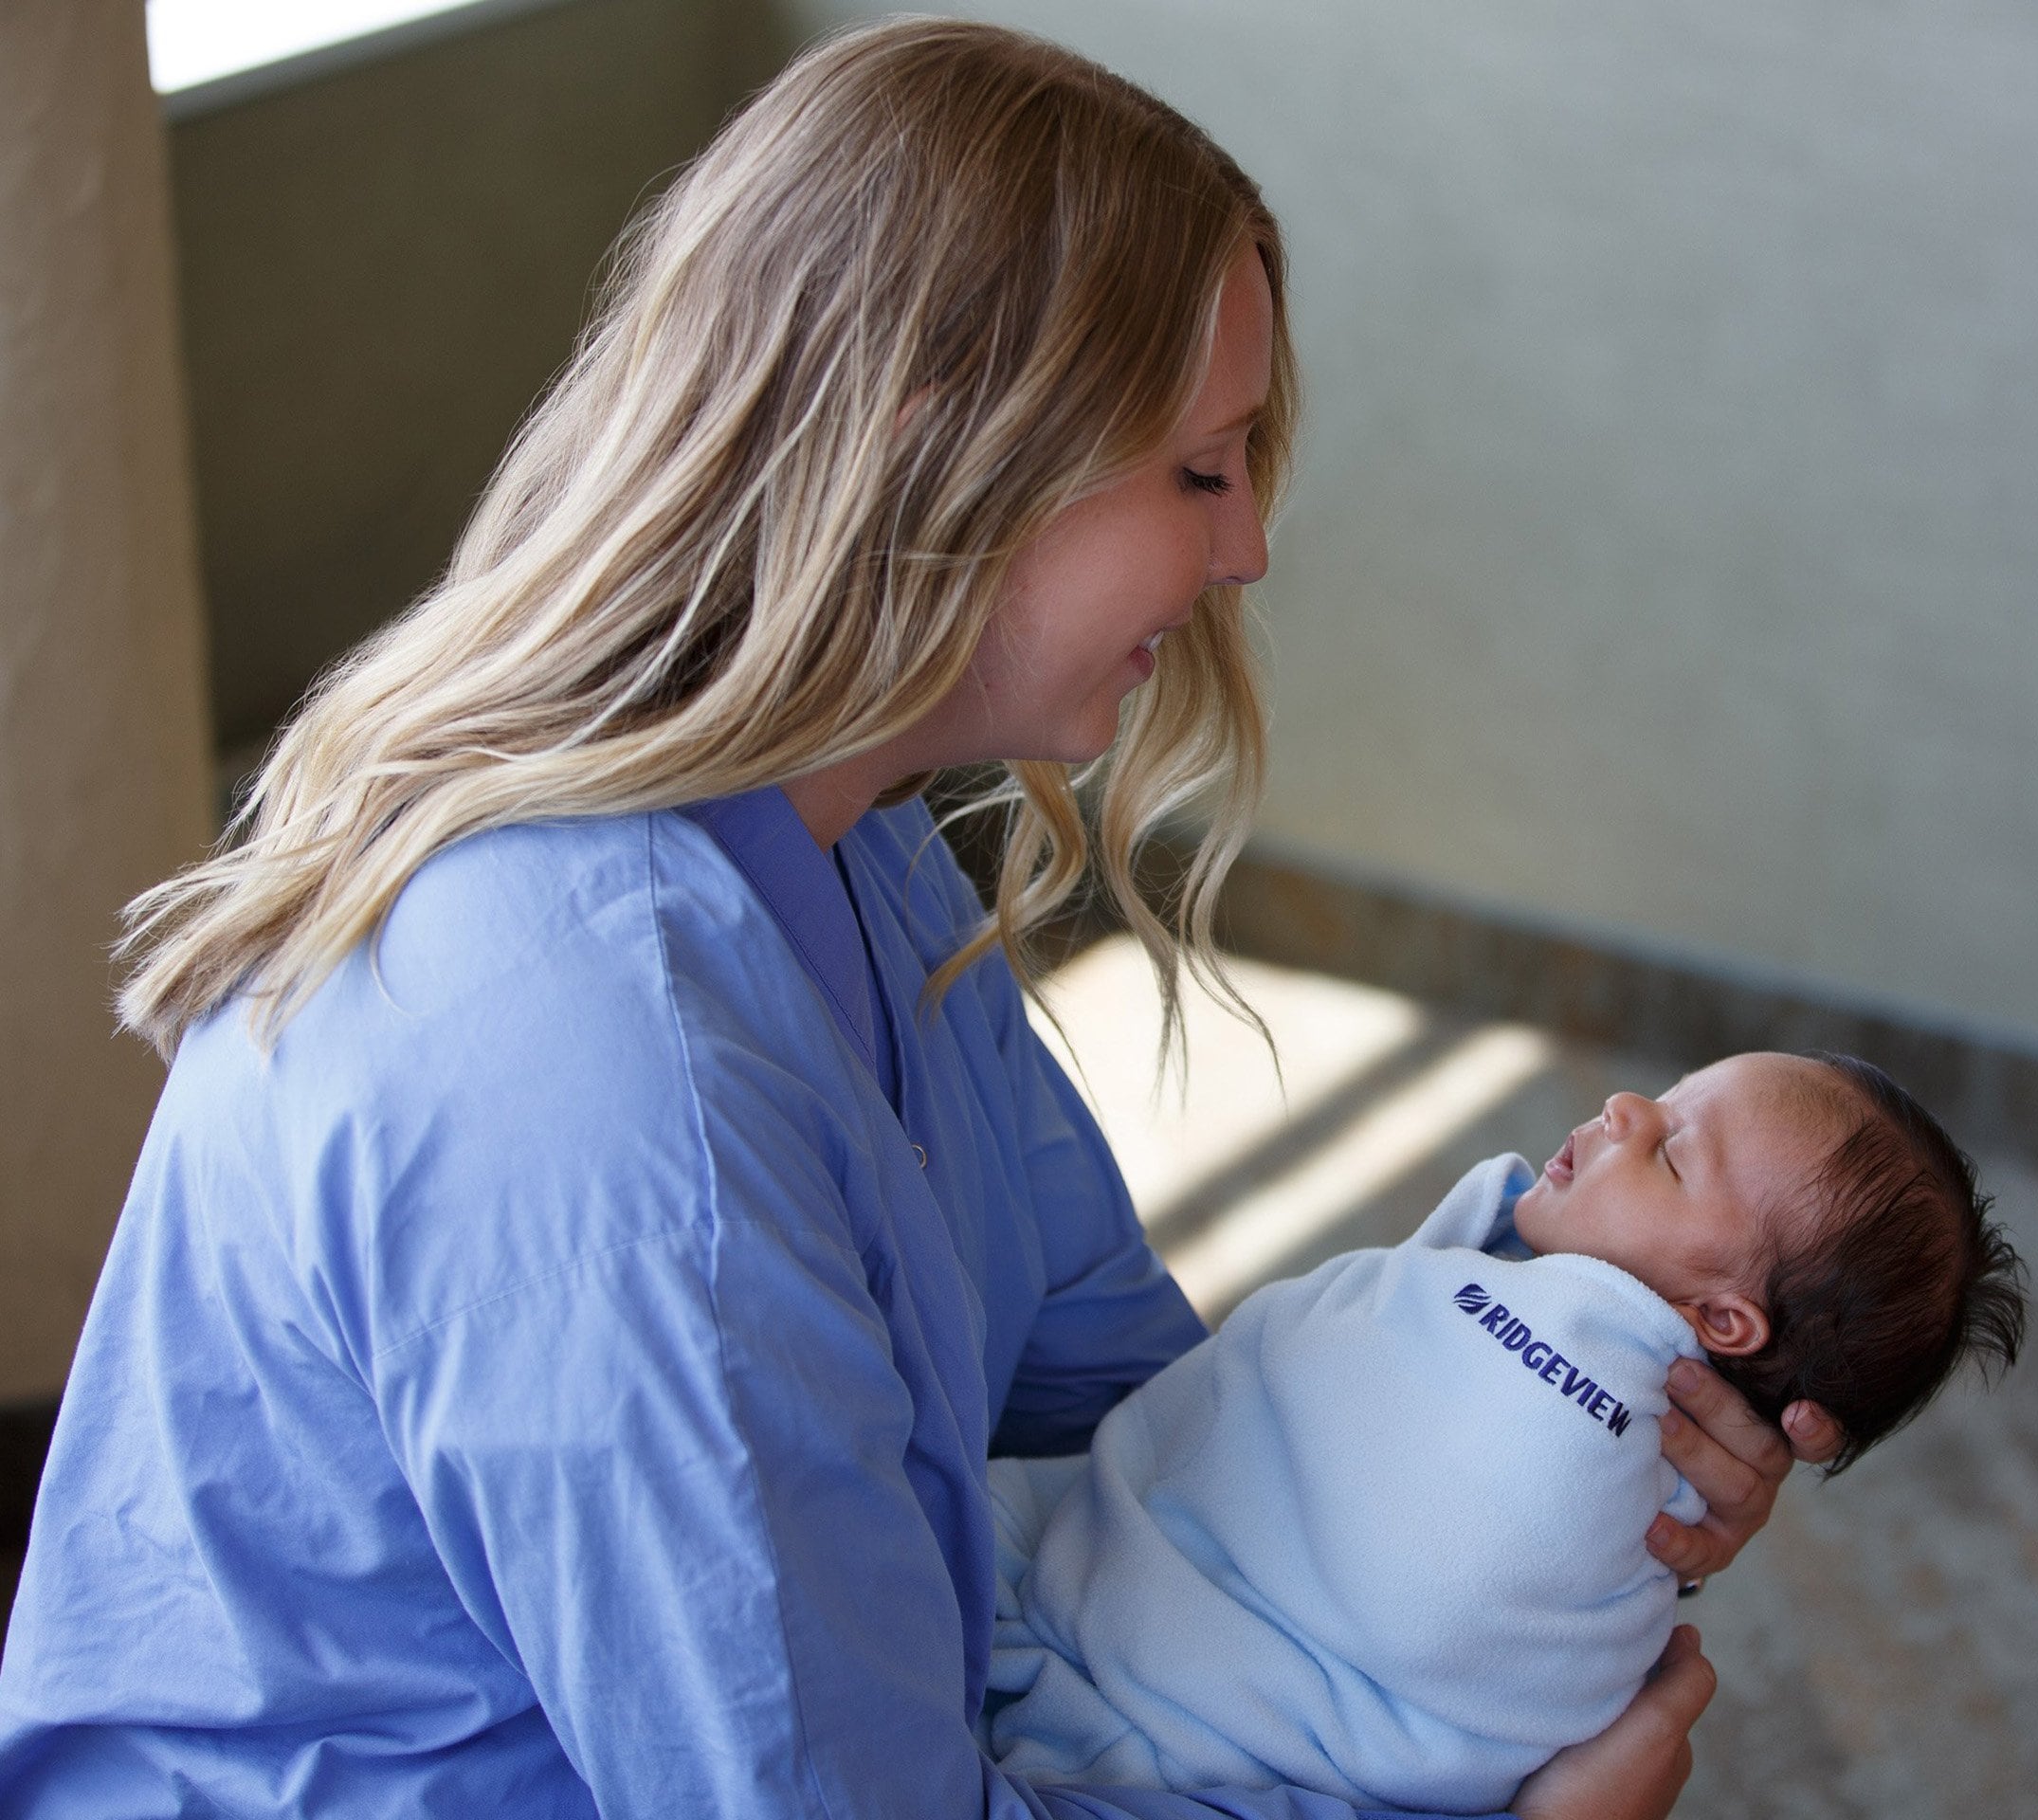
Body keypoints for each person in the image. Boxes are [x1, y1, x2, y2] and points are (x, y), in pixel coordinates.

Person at [0, 21, 1840, 1820]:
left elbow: (1123, 1400)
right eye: (1197, 470)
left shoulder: (849, 840)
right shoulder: (605, 1089)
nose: (1243, 554)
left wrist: (1544, 1474)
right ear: (941, 454)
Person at [983, 1051, 2027, 1811]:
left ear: (1723, 1322)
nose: (1622, 1108)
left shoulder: (1586, 1367)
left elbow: (1481, 1562)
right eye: (1658, 1100)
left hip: (1197, 1719)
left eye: (1668, 1151)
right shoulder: (1635, 1433)